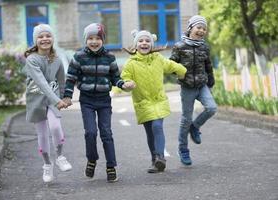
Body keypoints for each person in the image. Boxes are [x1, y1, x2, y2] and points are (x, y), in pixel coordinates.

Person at [63, 23, 134, 182]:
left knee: (106, 133)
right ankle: (92, 159)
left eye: (98, 38)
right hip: (86, 100)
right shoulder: (79, 57)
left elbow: (115, 78)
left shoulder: (109, 57)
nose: (94, 41)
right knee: (90, 132)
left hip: (103, 100)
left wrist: (124, 85)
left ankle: (111, 166)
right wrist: (67, 96)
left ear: (103, 40)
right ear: (85, 40)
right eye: (90, 38)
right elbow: (70, 79)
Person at [121, 30, 187, 173]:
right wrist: (127, 84)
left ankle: (160, 157)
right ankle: (155, 161)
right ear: (136, 45)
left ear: (151, 44)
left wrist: (182, 72)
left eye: (147, 41)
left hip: (158, 100)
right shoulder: (130, 63)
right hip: (142, 102)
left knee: (157, 126)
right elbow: (124, 78)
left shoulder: (158, 59)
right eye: (140, 41)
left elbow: (173, 66)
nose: (144, 43)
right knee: (150, 133)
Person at [24, 24, 72, 183]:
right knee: (43, 134)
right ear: (35, 40)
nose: (45, 39)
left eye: (48, 36)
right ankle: (47, 164)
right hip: (36, 100)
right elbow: (42, 83)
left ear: (52, 38)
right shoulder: (32, 60)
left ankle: (60, 157)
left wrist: (65, 97)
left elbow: (61, 80)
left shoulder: (57, 59)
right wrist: (57, 100)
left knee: (56, 127)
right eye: (40, 36)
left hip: (54, 100)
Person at [170, 15, 217, 166]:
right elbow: (171, 65)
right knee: (185, 119)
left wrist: (211, 78)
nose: (201, 31)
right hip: (187, 86)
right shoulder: (180, 46)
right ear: (191, 28)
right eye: (199, 27)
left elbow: (208, 65)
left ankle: (195, 127)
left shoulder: (204, 47)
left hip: (202, 84)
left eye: (204, 28)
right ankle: (183, 149)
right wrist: (180, 73)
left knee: (211, 108)